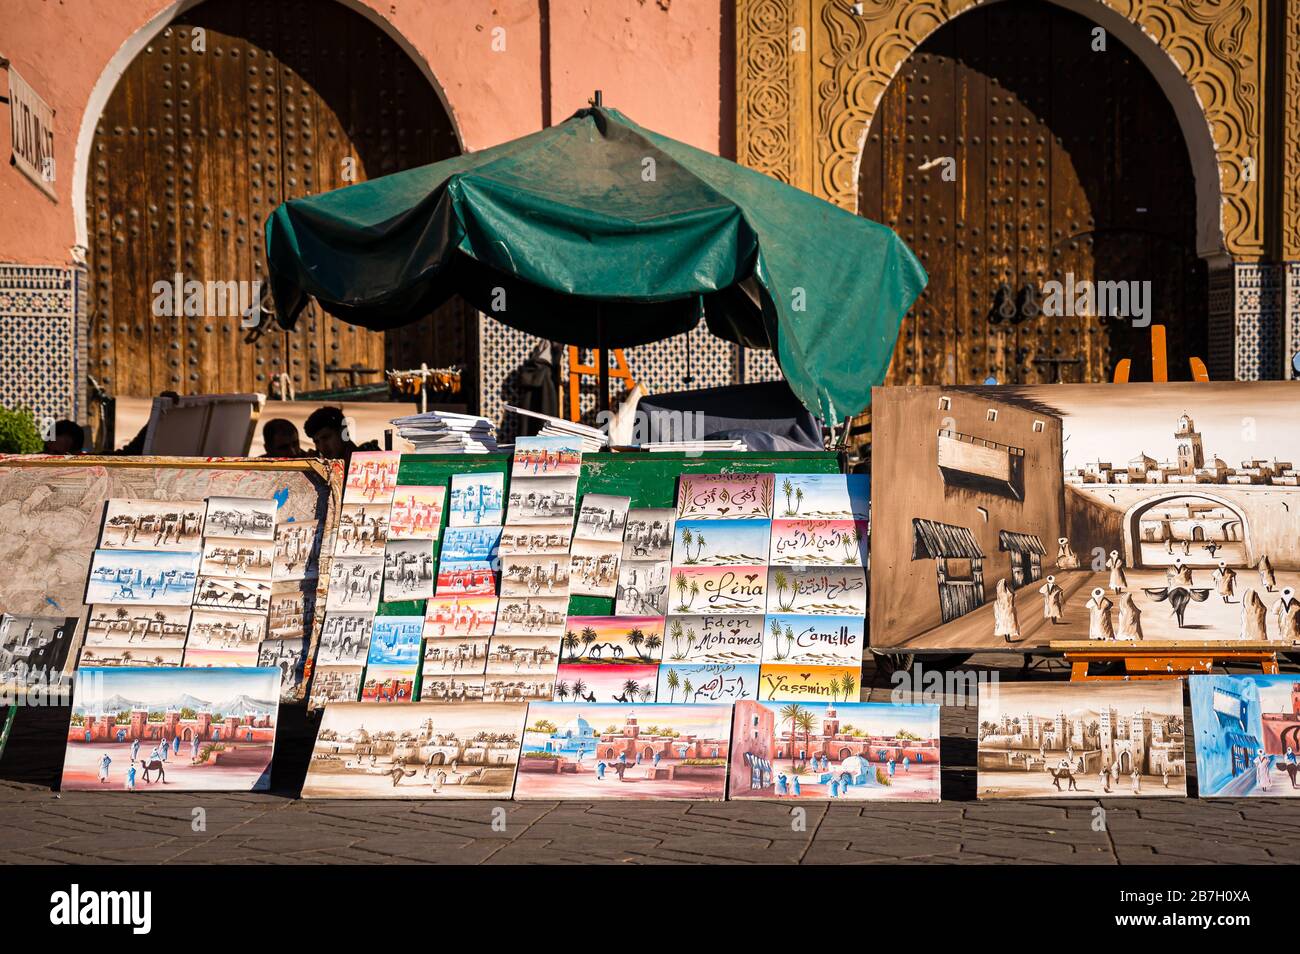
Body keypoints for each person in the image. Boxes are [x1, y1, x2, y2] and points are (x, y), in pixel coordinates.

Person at [303, 406, 379, 465]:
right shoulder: (327, 471)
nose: (322, 447)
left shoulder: (371, 458)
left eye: (325, 438)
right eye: (317, 442)